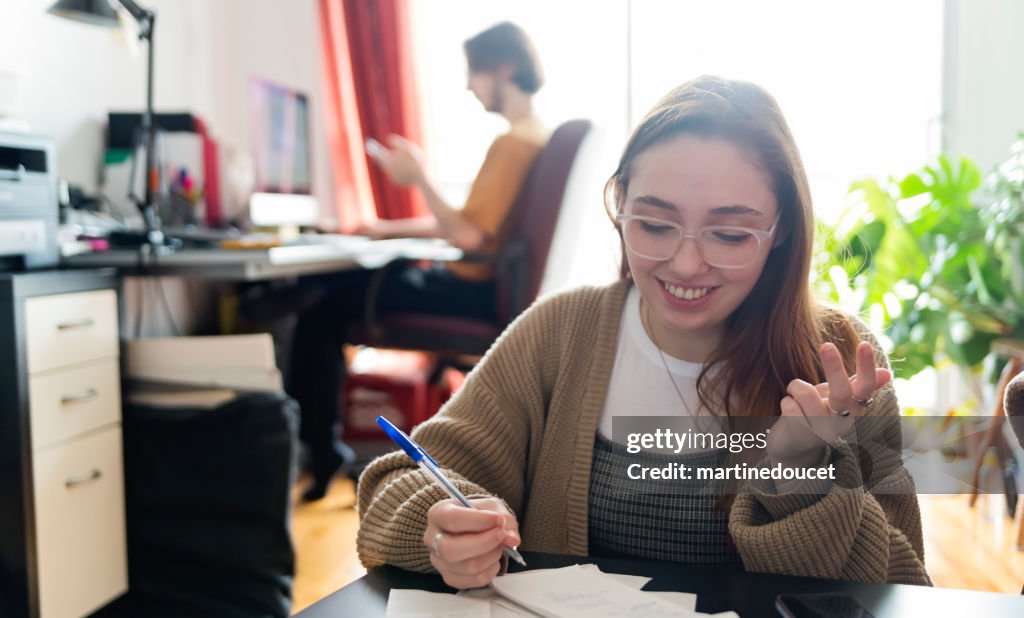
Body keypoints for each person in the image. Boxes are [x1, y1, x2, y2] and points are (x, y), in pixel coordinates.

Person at [355, 75, 931, 588]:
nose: (685, 265)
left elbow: (904, 591)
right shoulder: (559, 332)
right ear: (620, 203)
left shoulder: (839, 364)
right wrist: (440, 529)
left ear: (780, 231)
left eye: (730, 236)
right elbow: (398, 483)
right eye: (654, 225)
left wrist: (797, 475)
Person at [287, 22, 549, 501]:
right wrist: (384, 229)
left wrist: (420, 177)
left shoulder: (513, 143)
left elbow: (468, 236)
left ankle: (320, 450)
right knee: (328, 291)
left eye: (475, 72)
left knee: (321, 300)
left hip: (467, 291)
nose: (470, 85)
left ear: (504, 69)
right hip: (477, 283)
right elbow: (471, 227)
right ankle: (320, 445)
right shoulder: (532, 137)